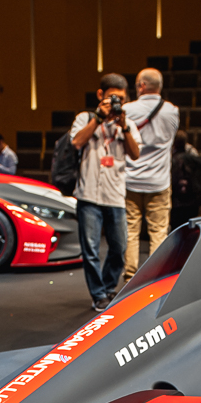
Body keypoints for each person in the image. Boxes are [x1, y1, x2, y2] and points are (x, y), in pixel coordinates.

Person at [69, 74, 140, 310]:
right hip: (88, 194)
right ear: (100, 95)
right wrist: (98, 119)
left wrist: (124, 127)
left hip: (115, 195)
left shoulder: (127, 124)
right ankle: (98, 294)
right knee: (90, 250)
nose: (117, 103)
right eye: (112, 98)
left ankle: (109, 287)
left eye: (121, 99)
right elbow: (76, 142)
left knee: (119, 247)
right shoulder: (85, 118)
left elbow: (135, 154)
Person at [122, 68, 180, 284]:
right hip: (159, 181)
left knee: (131, 231)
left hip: (130, 179)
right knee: (158, 231)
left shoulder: (127, 110)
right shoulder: (171, 111)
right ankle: (156, 278)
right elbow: (172, 137)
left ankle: (130, 276)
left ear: (142, 86)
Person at [169, 131, 201, 228]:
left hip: (176, 200)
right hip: (192, 201)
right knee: (190, 229)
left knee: (176, 229)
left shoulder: (170, 160)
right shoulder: (194, 159)